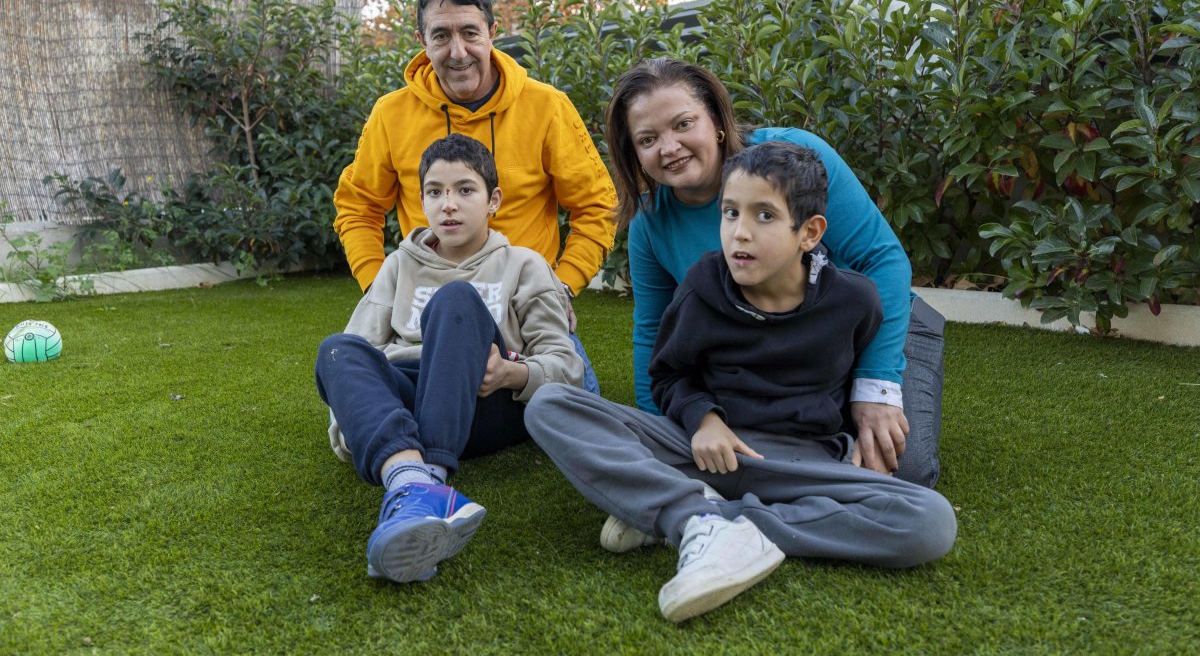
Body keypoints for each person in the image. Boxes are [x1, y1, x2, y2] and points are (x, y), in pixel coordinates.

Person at [525, 142, 957, 623]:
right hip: (709, 451)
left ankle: (711, 520)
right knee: (550, 404)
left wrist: (857, 439)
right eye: (730, 213)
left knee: (930, 521)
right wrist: (703, 419)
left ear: (809, 233)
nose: (740, 233)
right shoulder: (702, 286)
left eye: (765, 216)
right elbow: (670, 374)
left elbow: (855, 379)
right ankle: (695, 513)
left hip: (802, 464)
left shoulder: (854, 301)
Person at [605, 57, 946, 487]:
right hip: (770, 352)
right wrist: (662, 440)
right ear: (633, 152)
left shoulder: (797, 158)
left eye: (683, 124)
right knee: (742, 460)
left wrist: (876, 384)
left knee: (902, 472)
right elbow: (654, 334)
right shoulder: (650, 224)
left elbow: (883, 261)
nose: (669, 148)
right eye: (647, 138)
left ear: (716, 120)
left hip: (872, 327)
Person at [316, 134, 583, 584]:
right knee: (335, 348)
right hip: (410, 403)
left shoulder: (525, 264)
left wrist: (511, 373)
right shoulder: (398, 265)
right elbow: (357, 348)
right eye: (435, 192)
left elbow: (565, 366)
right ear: (421, 201)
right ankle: (409, 482)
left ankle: (431, 478)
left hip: (486, 399)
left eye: (465, 190)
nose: (449, 205)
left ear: (493, 199)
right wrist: (354, 423)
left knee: (456, 299)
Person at [332, 0, 616, 393]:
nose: (458, 52)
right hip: (426, 312)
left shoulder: (546, 107)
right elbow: (357, 207)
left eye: (469, 32)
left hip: (523, 307)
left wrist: (562, 284)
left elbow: (598, 205)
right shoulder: (390, 115)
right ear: (421, 41)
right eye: (441, 35)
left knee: (579, 407)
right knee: (362, 384)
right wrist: (381, 285)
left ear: (491, 31)